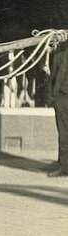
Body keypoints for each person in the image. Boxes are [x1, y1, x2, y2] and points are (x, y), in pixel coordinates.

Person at [47, 37, 68, 177]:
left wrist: (52, 97)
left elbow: (53, 78)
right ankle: (63, 166)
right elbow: (53, 78)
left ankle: (64, 167)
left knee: (64, 134)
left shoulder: (59, 56)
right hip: (61, 98)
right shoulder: (59, 56)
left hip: (62, 99)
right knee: (63, 134)